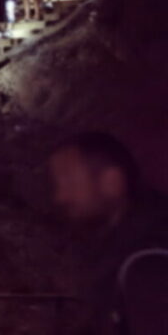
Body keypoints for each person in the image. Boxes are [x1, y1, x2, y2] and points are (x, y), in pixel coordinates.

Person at [49, 133, 168, 335]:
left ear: (111, 182)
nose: (60, 197)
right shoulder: (120, 252)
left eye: (69, 181)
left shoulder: (147, 265)